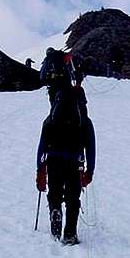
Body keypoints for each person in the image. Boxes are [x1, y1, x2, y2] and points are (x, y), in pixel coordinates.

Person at [36, 88, 95, 244]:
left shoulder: (50, 119)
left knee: (54, 192)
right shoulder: (85, 120)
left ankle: (55, 213)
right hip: (75, 163)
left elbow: (41, 147)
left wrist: (40, 170)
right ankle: (70, 234)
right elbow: (91, 148)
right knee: (72, 198)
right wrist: (90, 172)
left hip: (53, 161)